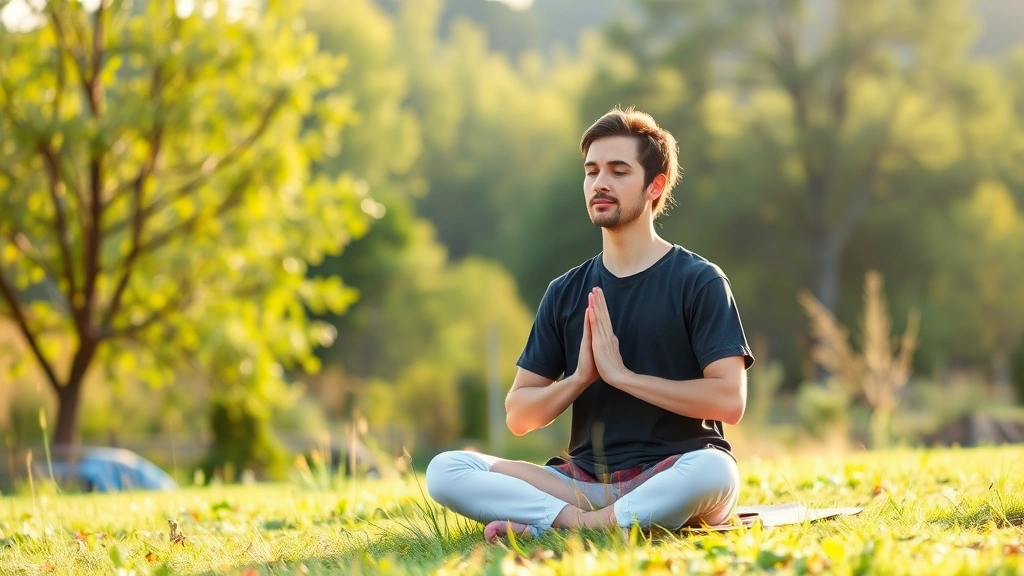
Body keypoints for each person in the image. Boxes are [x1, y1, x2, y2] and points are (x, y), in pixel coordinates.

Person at [425, 107, 754, 541]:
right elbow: (519, 415)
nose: (600, 183)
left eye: (618, 171)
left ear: (655, 186)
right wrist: (580, 378)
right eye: (592, 171)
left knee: (715, 471)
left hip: (676, 469)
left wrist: (624, 377)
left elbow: (729, 400)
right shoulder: (565, 291)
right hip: (584, 484)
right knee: (446, 469)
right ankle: (590, 523)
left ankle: (564, 524)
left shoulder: (699, 281)